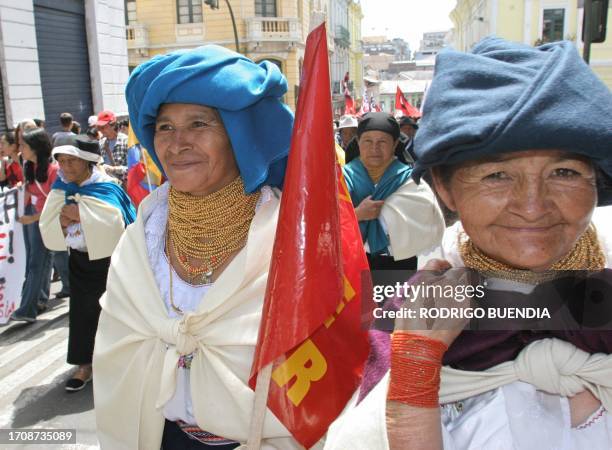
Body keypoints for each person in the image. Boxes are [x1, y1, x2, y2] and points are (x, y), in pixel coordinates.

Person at [325, 37, 612, 450]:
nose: (532, 207)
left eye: (564, 172)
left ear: (596, 183)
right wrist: (414, 375)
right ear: (445, 189)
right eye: (496, 175)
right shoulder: (408, 321)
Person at [93, 45, 307, 449]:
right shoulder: (141, 240)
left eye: (198, 124)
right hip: (160, 437)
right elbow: (117, 354)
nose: (178, 143)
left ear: (238, 136)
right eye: (165, 127)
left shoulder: (291, 237)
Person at [39, 135, 135, 392]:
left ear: (87, 162)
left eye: (72, 161)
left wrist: (79, 214)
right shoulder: (61, 188)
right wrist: (62, 221)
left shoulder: (106, 186)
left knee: (114, 312)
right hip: (79, 260)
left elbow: (115, 223)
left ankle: (119, 363)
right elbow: (48, 222)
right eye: (62, 161)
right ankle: (85, 365)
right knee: (82, 314)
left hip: (109, 262)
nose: (66, 167)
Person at [342, 112, 444, 272]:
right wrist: (358, 214)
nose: (374, 148)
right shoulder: (340, 179)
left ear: (395, 144)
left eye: (382, 141)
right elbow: (322, 224)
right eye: (368, 141)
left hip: (400, 264)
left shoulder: (411, 182)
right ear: (358, 142)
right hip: (351, 263)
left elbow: (431, 227)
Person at [10, 128, 57, 322]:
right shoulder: (29, 167)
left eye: (23, 146)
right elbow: (30, 193)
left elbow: (56, 203)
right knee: (42, 261)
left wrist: (33, 217)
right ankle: (40, 300)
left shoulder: (54, 171)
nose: (20, 149)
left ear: (35, 148)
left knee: (36, 263)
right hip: (36, 219)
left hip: (46, 221)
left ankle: (27, 309)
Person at [96, 110, 128, 183]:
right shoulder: (100, 143)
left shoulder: (125, 141)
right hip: (105, 185)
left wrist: (113, 169)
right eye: (99, 127)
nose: (101, 130)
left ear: (113, 125)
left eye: (103, 127)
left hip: (122, 186)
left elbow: (133, 168)